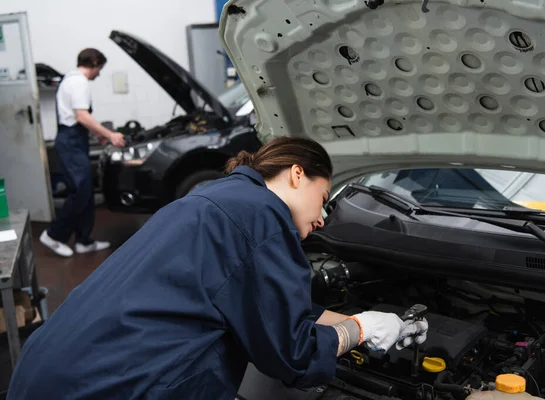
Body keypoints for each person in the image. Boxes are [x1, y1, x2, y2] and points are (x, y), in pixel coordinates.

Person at [8, 137, 427, 399]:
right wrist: (362, 330)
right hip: (115, 386)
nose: (322, 218)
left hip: (53, 368)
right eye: (324, 197)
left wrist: (369, 320)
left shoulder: (221, 198)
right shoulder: (262, 217)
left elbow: (265, 306)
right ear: (298, 174)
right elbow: (293, 354)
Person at [40, 48, 126, 258]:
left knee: (85, 190)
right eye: (100, 68)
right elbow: (81, 116)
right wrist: (110, 134)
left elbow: (79, 117)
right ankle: (53, 235)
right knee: (80, 191)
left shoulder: (70, 79)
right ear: (94, 63)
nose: (99, 73)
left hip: (73, 139)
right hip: (71, 141)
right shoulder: (78, 82)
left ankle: (84, 240)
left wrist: (96, 135)